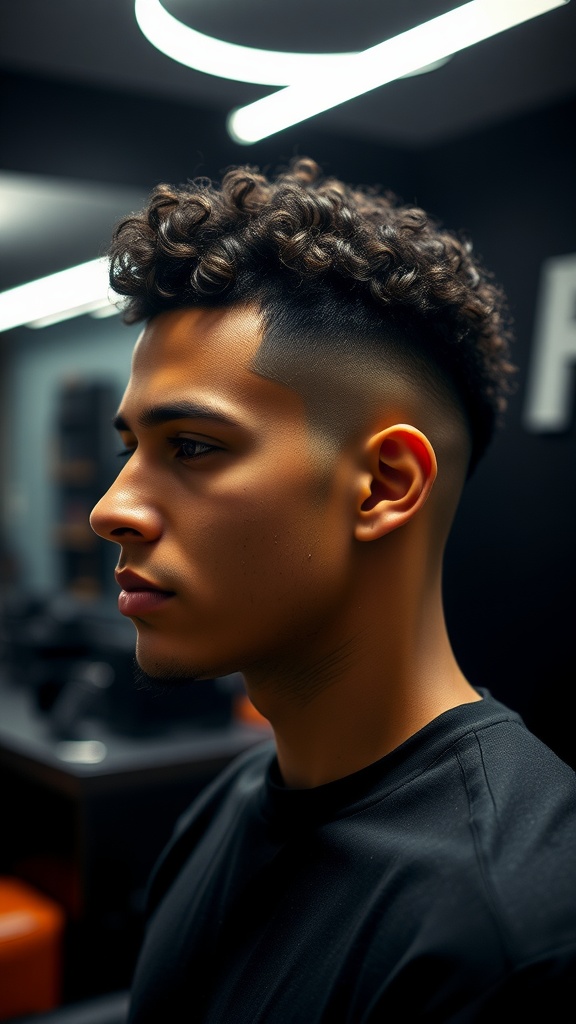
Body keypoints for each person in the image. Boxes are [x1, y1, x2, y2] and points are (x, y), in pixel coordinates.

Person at [90, 157, 576, 1022]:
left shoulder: (513, 935)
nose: (111, 509)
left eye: (193, 447)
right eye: (129, 447)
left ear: (385, 485)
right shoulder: (226, 808)